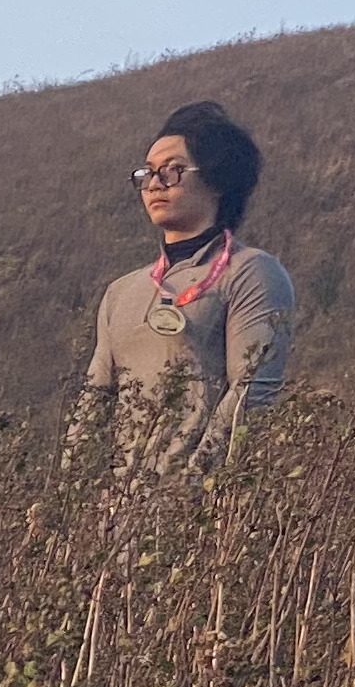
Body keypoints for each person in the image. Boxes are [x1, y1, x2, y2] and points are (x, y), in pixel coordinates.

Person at [75, 100, 295, 475]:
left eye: (172, 171)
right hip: (116, 499)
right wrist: (71, 492)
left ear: (217, 180)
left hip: (199, 498)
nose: (154, 184)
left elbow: (252, 392)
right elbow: (93, 400)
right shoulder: (121, 292)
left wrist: (190, 485)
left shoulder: (250, 271)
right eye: (147, 173)